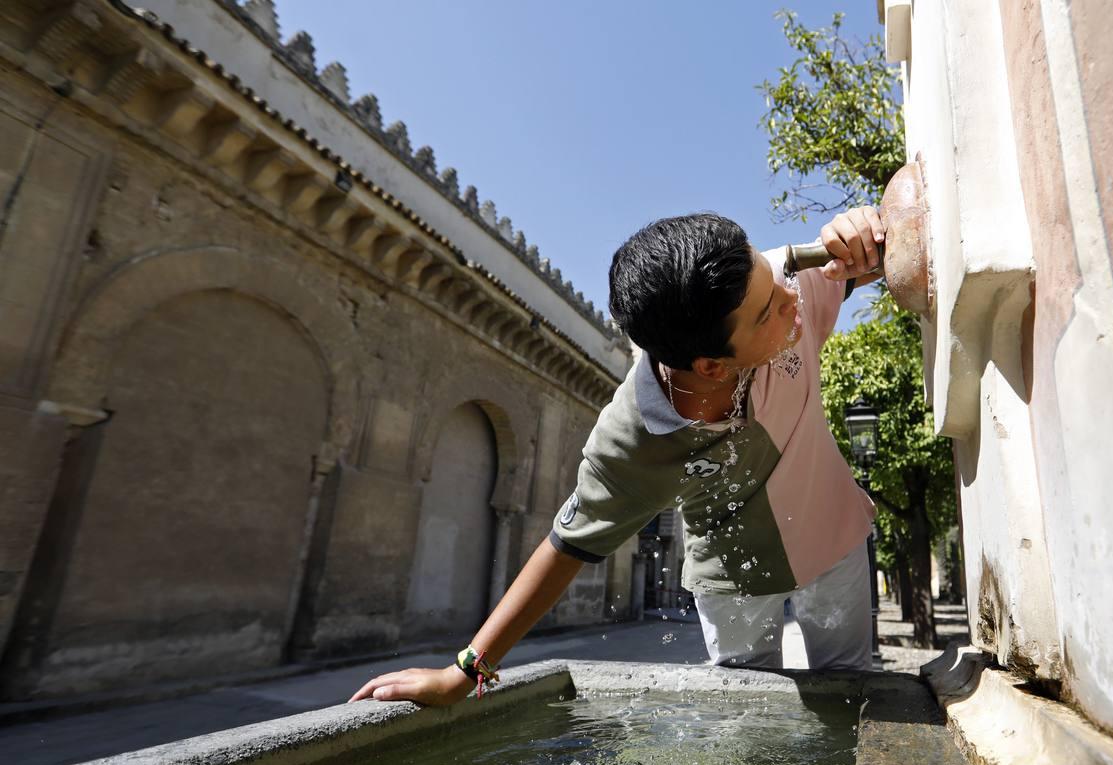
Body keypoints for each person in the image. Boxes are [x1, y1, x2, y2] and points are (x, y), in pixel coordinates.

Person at [350, 206, 887, 706]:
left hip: (833, 538)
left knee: (853, 703)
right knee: (750, 728)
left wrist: (864, 230)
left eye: (778, 286)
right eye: (772, 309)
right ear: (711, 367)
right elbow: (566, 547)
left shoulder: (766, 290)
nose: (794, 300)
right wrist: (464, 673)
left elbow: (884, 250)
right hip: (736, 579)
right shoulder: (632, 441)